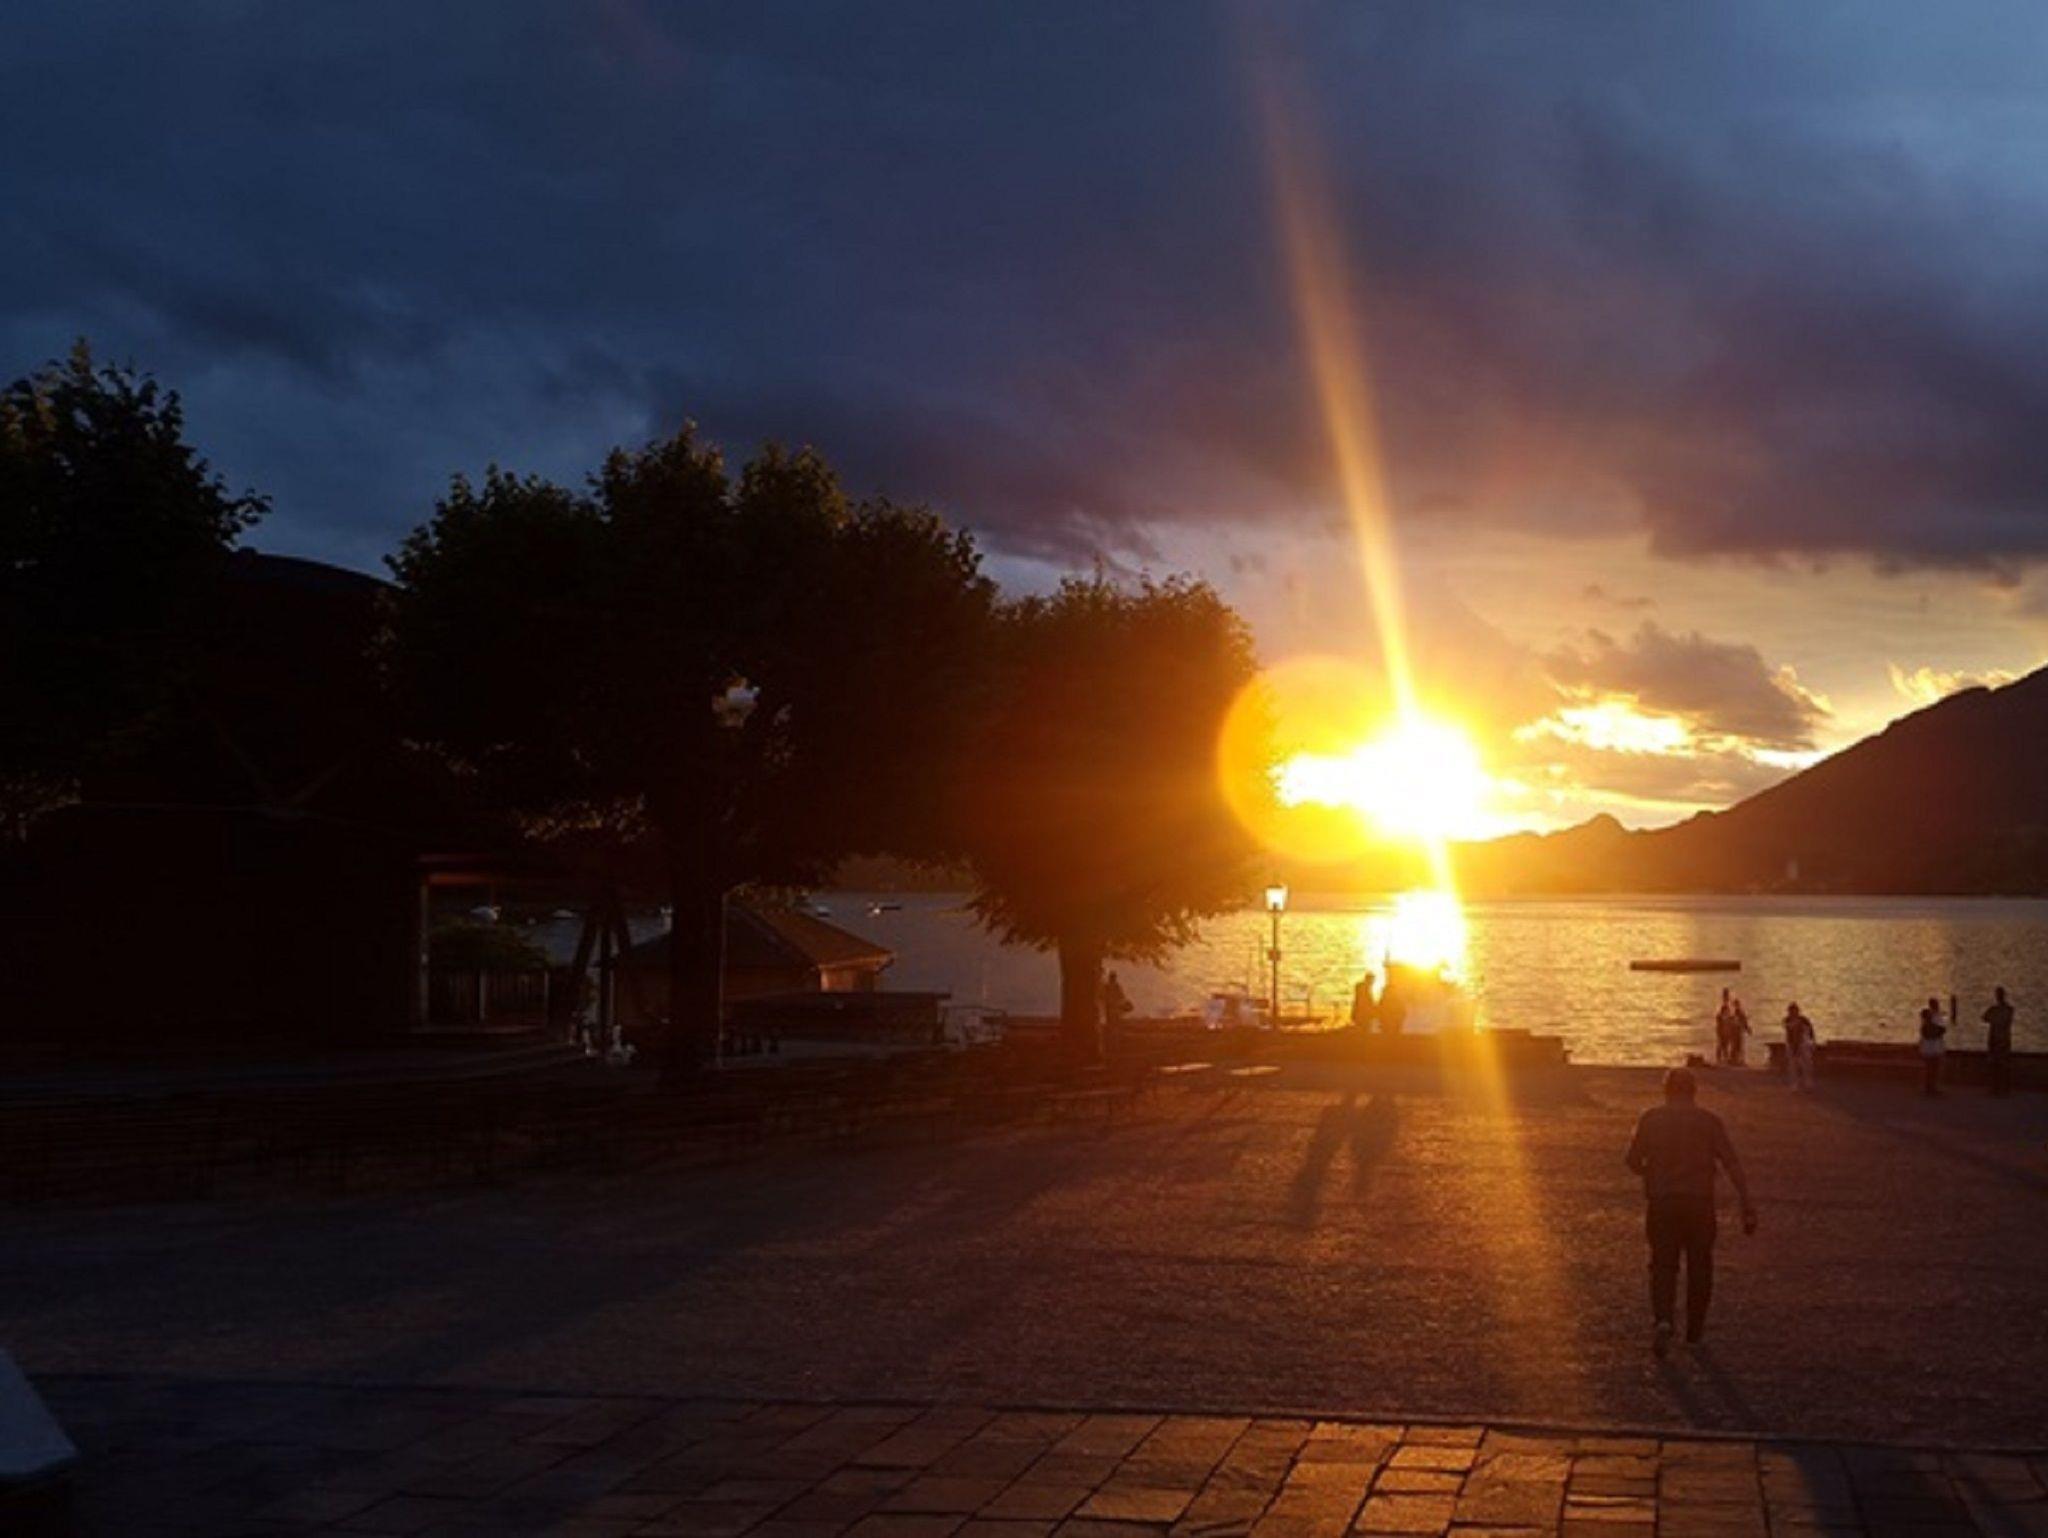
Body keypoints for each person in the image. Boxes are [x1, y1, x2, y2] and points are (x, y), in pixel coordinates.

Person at [1625, 1067, 1756, 1355]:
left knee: (1663, 1264)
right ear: (1694, 1091)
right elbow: (1731, 1163)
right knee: (1700, 1266)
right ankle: (1694, 1332)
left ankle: (1663, 1319)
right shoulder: (1709, 1121)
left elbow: (1632, 1160)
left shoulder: (1651, 1119)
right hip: (1699, 1202)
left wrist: (1652, 1172)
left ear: (1666, 1090)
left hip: (1662, 1201)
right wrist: (1746, 1201)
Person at [1982, 987, 2015, 1098]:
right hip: (1998, 1039)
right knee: (1997, 1064)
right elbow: (1985, 1018)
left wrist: (1994, 1018)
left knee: (2001, 1064)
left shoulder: (2003, 1010)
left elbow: (1986, 1018)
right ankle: (1997, 1088)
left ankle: (2001, 1088)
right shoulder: (2004, 1010)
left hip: (2000, 1039)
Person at [1782, 1002, 1817, 1093]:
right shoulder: (1787, 1020)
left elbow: (1810, 1031)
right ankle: (1794, 1084)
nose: (1793, 1013)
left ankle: (1808, 1082)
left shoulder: (1804, 1020)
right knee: (1793, 1066)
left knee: (1807, 1064)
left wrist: (1812, 1042)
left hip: (1803, 1044)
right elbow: (1789, 1033)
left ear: (1797, 1011)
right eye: (1791, 1011)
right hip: (1792, 1044)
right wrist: (1792, 1046)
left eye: (1794, 1011)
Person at [1917, 996, 1947, 1097]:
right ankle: (1931, 1087)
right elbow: (1942, 1030)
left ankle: (1929, 1087)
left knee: (1930, 1067)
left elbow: (1925, 1032)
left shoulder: (1927, 1018)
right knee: (1933, 1068)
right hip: (1934, 1046)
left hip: (1928, 1046)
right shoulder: (1936, 1017)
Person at [1714, 990, 1736, 1065]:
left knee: (1725, 1046)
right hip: (1723, 1031)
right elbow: (1719, 1019)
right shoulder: (1723, 1007)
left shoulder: (1728, 1006)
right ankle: (1720, 1060)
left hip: (1726, 1031)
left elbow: (1730, 1017)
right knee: (1722, 1045)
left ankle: (1724, 1060)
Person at [1730, 996, 1752, 1065]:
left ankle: (1739, 1060)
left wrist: (1747, 1029)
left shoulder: (1740, 1013)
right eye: (1735, 1005)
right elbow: (1744, 1022)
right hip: (1736, 1032)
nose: (1736, 1006)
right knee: (1737, 1046)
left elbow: (1744, 1022)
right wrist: (1748, 1029)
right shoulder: (1736, 1013)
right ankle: (1738, 1060)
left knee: (1738, 1046)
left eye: (1736, 1005)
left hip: (1738, 1032)